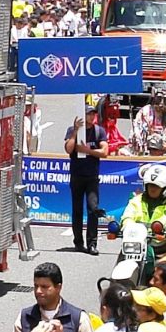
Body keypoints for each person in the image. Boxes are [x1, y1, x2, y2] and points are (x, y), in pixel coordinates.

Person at [64, 105, 108, 252]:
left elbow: (104, 152)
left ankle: (92, 243)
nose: (91, 117)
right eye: (88, 114)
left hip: (92, 176)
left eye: (93, 114)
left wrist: (87, 151)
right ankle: (78, 241)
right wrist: (76, 131)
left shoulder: (98, 131)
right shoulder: (72, 130)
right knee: (77, 210)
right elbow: (68, 149)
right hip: (77, 175)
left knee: (93, 209)